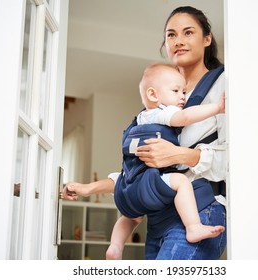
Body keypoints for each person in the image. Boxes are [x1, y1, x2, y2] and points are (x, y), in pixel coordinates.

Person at [63, 6, 227, 260]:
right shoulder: (154, 109)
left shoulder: (225, 87)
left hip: (201, 208)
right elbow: (134, 175)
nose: (178, 41)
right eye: (171, 35)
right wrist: (88, 189)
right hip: (158, 217)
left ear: (207, 39)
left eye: (188, 32)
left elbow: (236, 162)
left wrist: (179, 155)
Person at [104, 62, 225, 259]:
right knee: (181, 182)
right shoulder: (162, 112)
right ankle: (193, 226)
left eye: (184, 91)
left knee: (130, 217)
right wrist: (217, 108)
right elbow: (185, 117)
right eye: (176, 91)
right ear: (153, 95)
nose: (182, 97)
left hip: (130, 186)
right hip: (152, 182)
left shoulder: (137, 122)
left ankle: (116, 245)